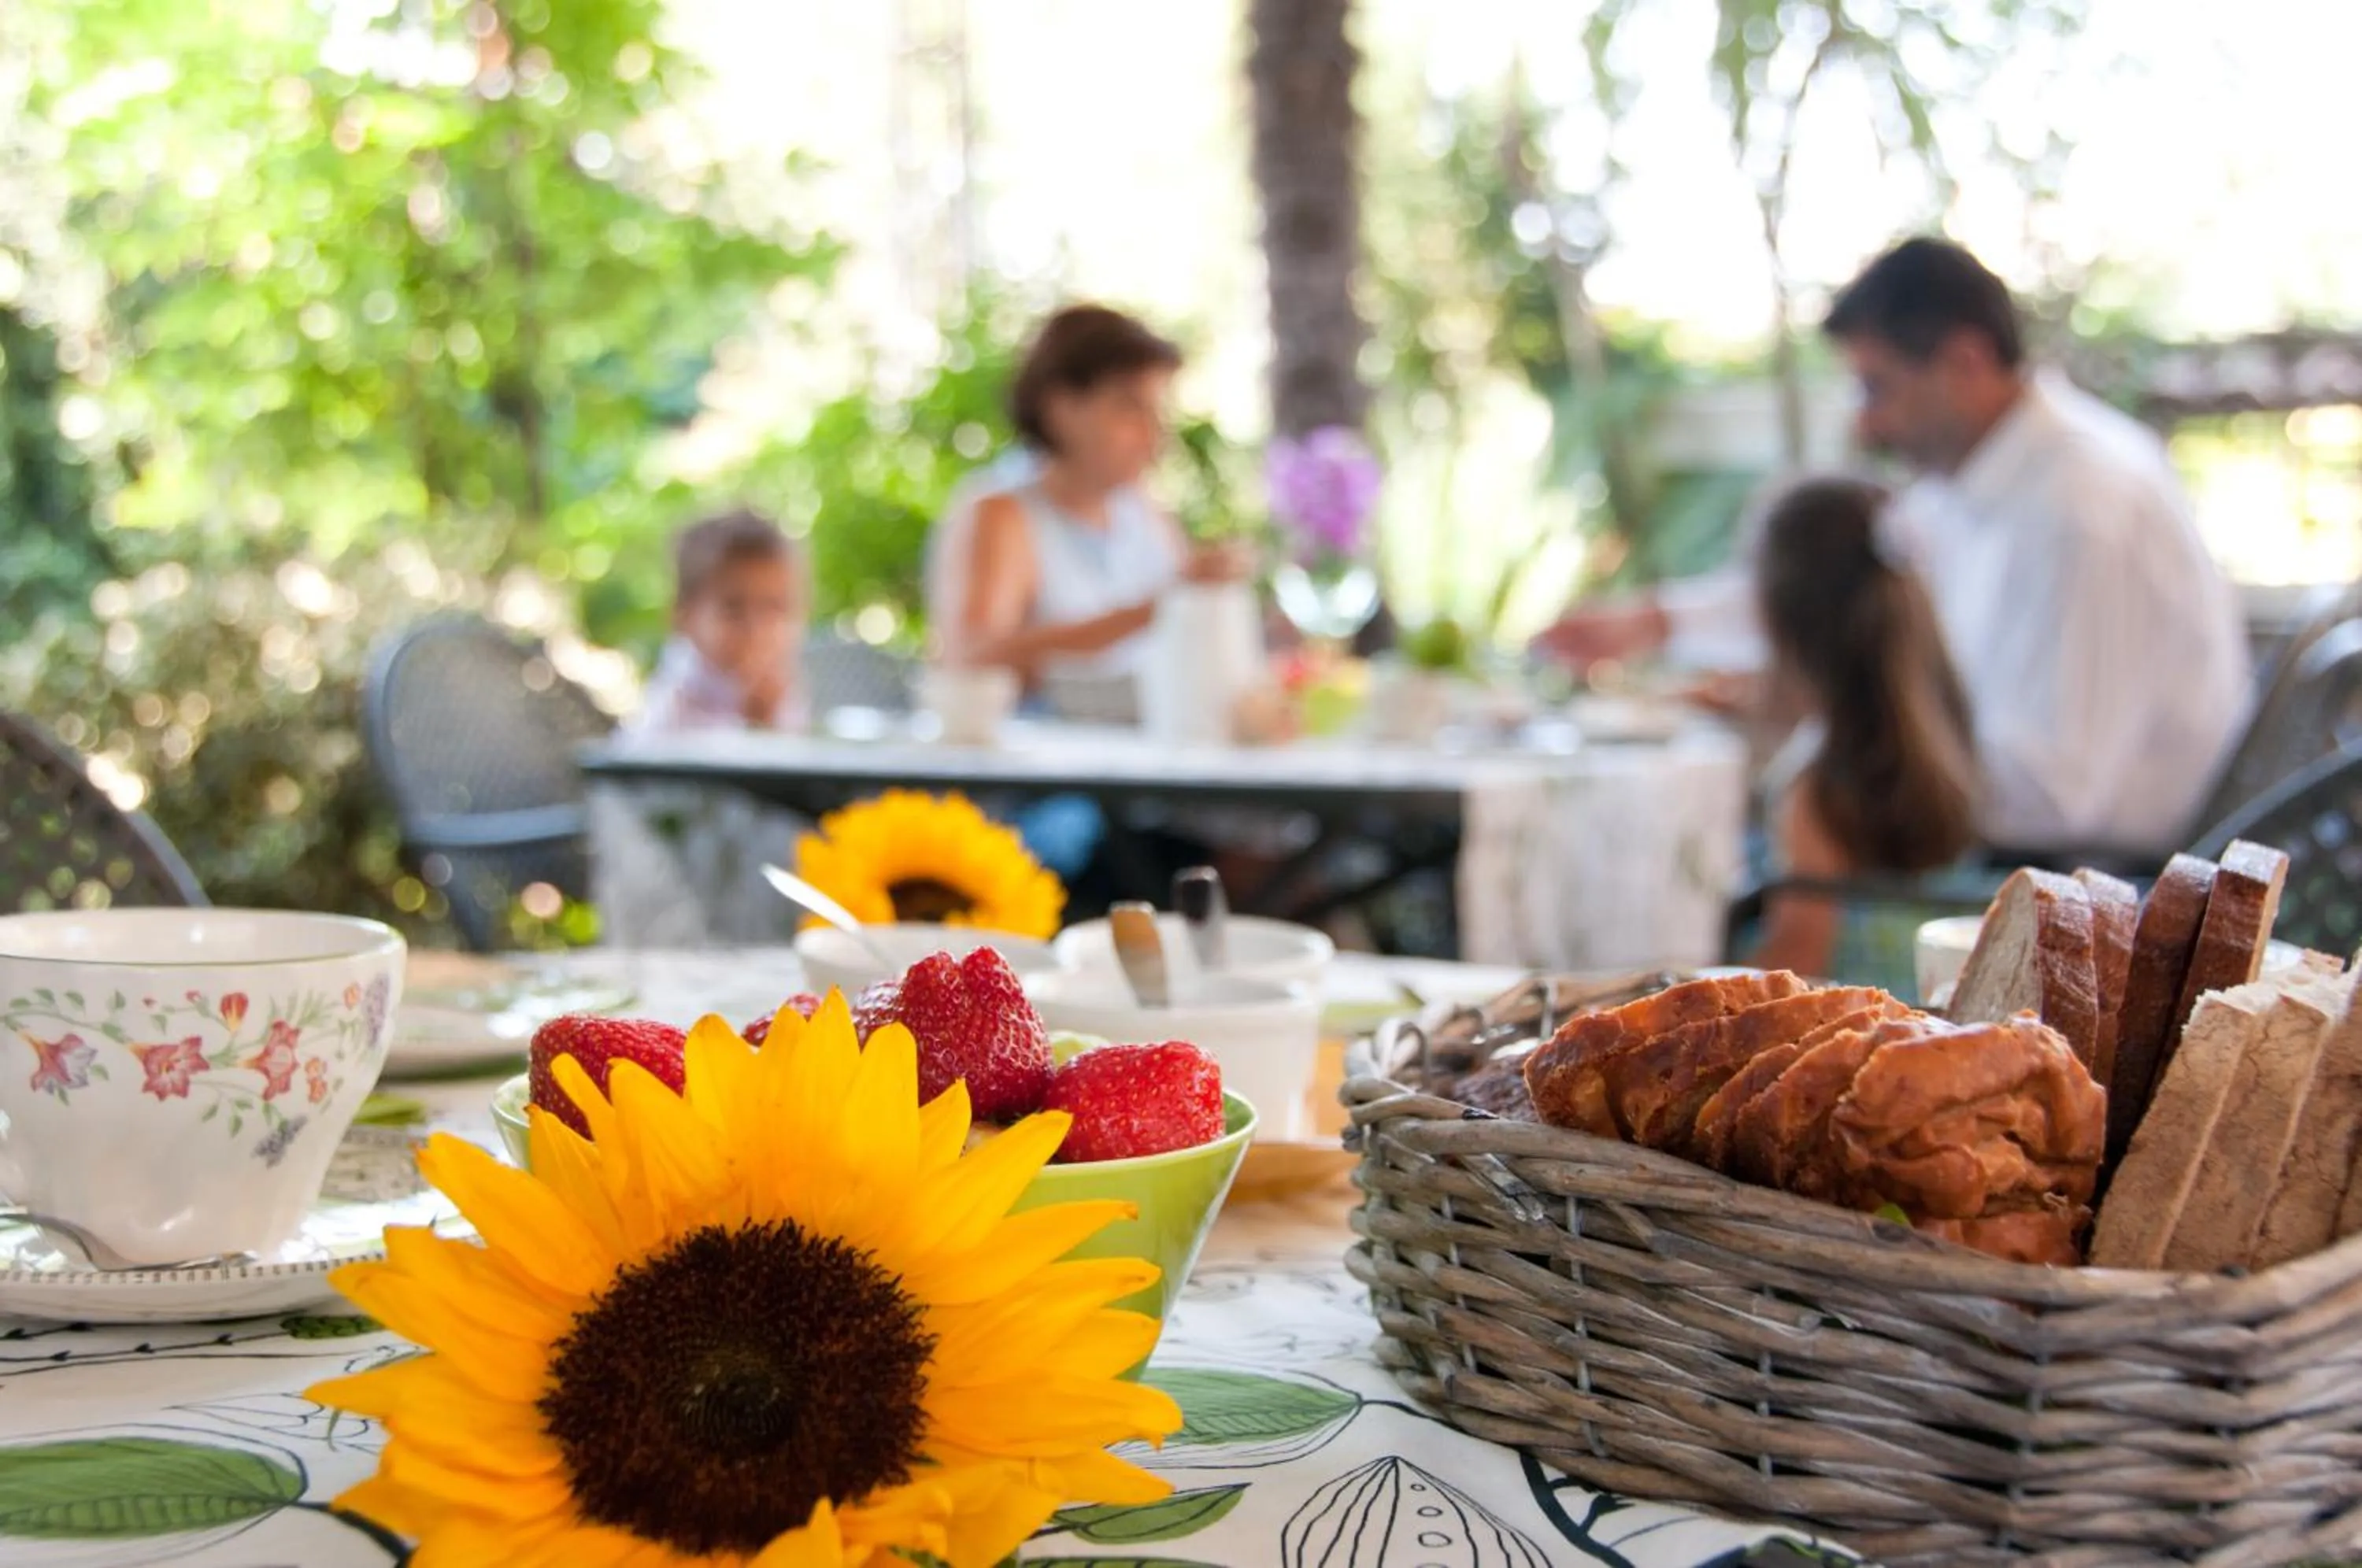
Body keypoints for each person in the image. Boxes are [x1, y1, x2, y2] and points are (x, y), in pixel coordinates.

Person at [1536, 237, 2251, 853]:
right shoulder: (1977, 479)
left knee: (1766, 834)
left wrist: (1837, 722)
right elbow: (1840, 587)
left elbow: (2056, 797)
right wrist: (1657, 623)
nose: (1867, 426)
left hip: (2091, 879)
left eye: (1876, 387)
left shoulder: (2079, 508)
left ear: (1966, 362)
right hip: (2004, 838)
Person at [1745, 477, 1982, 987]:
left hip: (1853, 1035)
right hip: (1932, 1002)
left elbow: (1793, 964)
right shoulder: (1942, 727)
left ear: (1780, 619)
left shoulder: (1816, 788)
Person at [927, 305, 1242, 684]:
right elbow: (972, 660)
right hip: (1038, 738)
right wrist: (1157, 607)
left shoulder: (1143, 509)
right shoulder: (1002, 512)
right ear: (1060, 407)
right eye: (1130, 408)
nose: (1154, 434)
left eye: (1160, 413)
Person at [632, 508, 807, 734]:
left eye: (774, 606)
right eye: (733, 608)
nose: (755, 629)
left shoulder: (780, 687)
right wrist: (754, 726)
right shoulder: (672, 703)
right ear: (683, 616)